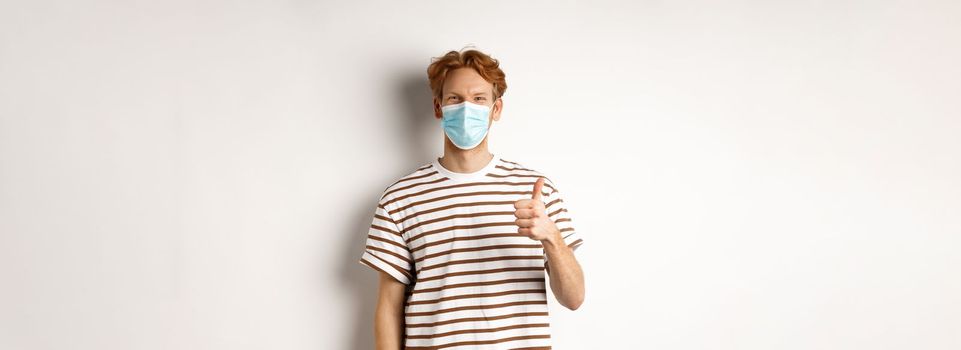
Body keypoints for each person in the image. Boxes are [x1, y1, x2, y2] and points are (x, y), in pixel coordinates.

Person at [358, 47, 585, 349]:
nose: (467, 108)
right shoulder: (400, 198)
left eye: (479, 99)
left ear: (497, 109)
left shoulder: (536, 191)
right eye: (455, 98)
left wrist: (552, 237)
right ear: (438, 107)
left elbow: (574, 299)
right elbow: (388, 306)